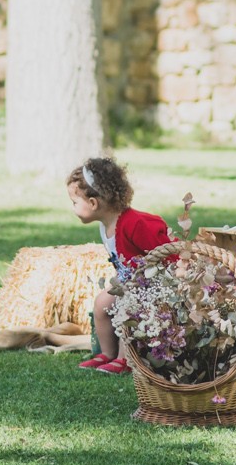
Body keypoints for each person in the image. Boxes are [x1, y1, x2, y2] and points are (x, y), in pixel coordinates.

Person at [67, 157, 172, 375]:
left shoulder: (134, 223)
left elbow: (166, 252)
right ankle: (108, 353)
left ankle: (125, 359)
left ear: (94, 203)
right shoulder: (106, 225)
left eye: (75, 202)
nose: (73, 208)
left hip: (154, 285)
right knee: (102, 303)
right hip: (130, 283)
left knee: (128, 307)